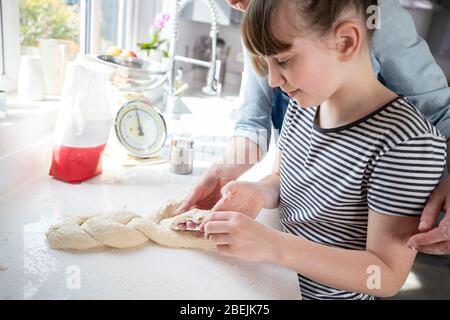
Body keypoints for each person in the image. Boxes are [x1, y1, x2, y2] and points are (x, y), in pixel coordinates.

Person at [192, 0, 446, 300]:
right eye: (266, 62)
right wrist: (258, 190)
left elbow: (385, 276)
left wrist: (273, 245)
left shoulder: (407, 143)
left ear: (346, 41)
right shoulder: (306, 102)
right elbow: (281, 177)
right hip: (277, 285)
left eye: (284, 60)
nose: (273, 81)